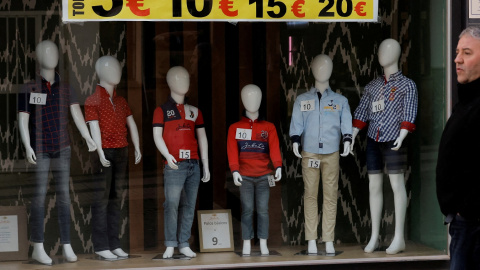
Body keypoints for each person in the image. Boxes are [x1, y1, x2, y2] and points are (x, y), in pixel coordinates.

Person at [18, 40, 96, 264]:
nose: (50, 55)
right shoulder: (29, 88)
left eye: (53, 51)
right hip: (40, 147)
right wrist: (27, 146)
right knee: (39, 197)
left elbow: (76, 115)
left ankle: (67, 244)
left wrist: (87, 137)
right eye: (45, 51)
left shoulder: (66, 88)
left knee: (64, 197)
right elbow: (23, 119)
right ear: (37, 56)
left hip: (62, 146)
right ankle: (38, 246)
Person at [351, 38, 417, 255]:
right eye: (379, 49)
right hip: (373, 139)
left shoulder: (407, 85)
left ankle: (398, 237)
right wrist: (352, 134)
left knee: (397, 184)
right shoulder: (372, 86)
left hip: (394, 139)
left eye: (386, 50)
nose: (381, 53)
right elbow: (362, 112)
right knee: (374, 186)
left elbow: (409, 111)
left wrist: (403, 133)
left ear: (397, 54)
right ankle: (374, 236)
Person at [289, 54, 352, 254]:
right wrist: (295, 140)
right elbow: (297, 122)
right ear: (312, 69)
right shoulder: (302, 99)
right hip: (309, 153)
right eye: (318, 66)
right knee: (310, 195)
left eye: (326, 67)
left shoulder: (340, 100)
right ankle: (311, 240)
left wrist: (348, 139)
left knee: (330, 195)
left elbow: (346, 122)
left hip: (331, 152)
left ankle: (329, 239)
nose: (322, 70)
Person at [85, 55, 142, 259]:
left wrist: (136, 146)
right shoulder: (93, 100)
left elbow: (131, 123)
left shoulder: (121, 100)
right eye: (112, 68)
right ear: (100, 72)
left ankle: (114, 243)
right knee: (101, 199)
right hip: (105, 151)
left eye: (118, 68)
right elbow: (93, 128)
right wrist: (99, 151)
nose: (117, 72)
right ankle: (101, 245)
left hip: (121, 150)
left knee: (115, 198)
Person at [153, 66, 210, 259]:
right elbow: (157, 136)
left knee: (189, 204)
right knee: (172, 204)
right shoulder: (161, 111)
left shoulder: (195, 111)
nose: (184, 82)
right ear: (169, 83)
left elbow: (202, 138)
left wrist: (206, 163)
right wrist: (168, 156)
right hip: (175, 164)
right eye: (179, 78)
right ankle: (170, 243)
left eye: (186, 78)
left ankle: (184, 242)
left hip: (194, 163)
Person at [436, 26, 480, 269]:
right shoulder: (467, 101)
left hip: (473, 226)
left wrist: (467, 210)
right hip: (464, 224)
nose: (457, 59)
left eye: (466, 53)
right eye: (456, 52)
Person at [227, 84, 282, 255]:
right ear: (243, 101)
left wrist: (278, 166)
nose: (253, 101)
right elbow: (232, 150)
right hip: (245, 176)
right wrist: (235, 170)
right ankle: (247, 242)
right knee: (248, 209)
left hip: (264, 175)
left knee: (263, 210)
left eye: (256, 97)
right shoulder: (235, 128)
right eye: (248, 98)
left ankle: (263, 242)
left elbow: (274, 148)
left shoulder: (268, 127)